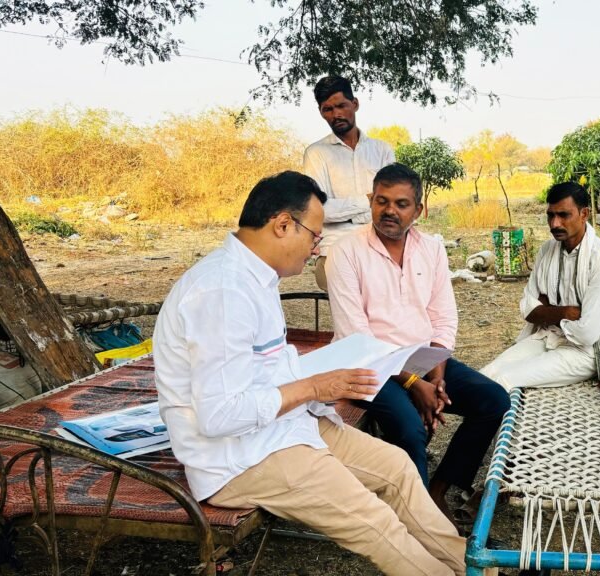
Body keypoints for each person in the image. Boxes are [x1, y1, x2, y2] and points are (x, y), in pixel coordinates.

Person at [153, 171, 467, 576]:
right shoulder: (223, 292)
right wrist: (316, 385)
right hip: (240, 458)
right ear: (283, 224)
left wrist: (318, 384)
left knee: (398, 468)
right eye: (315, 236)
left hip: (283, 427)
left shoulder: (255, 276)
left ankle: (470, 567)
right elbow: (219, 416)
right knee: (373, 520)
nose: (316, 247)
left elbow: (264, 370)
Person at [325, 163, 510, 519]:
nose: (389, 211)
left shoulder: (431, 248)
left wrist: (436, 378)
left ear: (419, 210)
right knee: (410, 427)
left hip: (423, 359)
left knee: (494, 401)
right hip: (368, 367)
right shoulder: (346, 251)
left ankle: (437, 491)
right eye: (382, 201)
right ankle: (420, 520)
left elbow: (443, 318)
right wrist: (413, 384)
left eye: (401, 204)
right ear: (370, 200)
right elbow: (356, 338)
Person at [480, 182, 600, 390]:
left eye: (564, 215)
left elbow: (587, 333)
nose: (555, 223)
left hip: (584, 352)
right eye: (551, 215)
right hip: (547, 336)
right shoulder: (547, 250)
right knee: (486, 375)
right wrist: (565, 312)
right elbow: (528, 309)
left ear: (584, 214)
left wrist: (546, 311)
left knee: (504, 380)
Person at [302, 75, 395, 291]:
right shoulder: (316, 153)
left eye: (342, 106)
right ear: (321, 112)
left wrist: (348, 213)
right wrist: (368, 201)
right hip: (335, 251)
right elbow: (320, 210)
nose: (336, 114)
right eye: (328, 109)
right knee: (354, 300)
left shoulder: (381, 150)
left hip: (381, 246)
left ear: (355, 104)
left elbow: (391, 205)